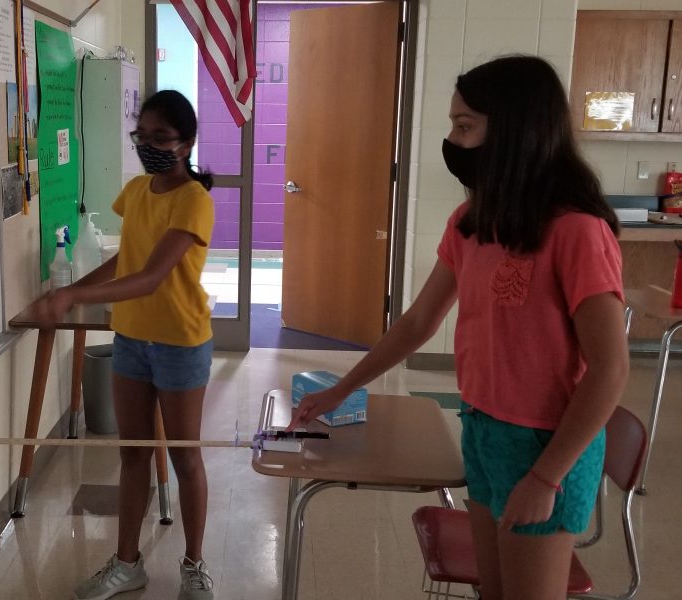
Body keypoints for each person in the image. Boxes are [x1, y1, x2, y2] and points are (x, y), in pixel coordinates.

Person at [288, 55, 629, 600]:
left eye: (464, 127)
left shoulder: (577, 232)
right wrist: (343, 388)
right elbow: (420, 321)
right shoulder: (470, 224)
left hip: (547, 446)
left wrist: (545, 477)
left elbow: (610, 370)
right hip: (483, 428)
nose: (452, 141)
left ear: (516, 131)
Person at [41, 89, 216, 600]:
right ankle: (126, 563)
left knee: (186, 459)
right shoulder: (137, 191)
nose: (149, 146)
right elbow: (125, 261)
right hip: (132, 341)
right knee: (133, 455)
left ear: (185, 143)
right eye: (142, 136)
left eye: (161, 138)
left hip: (180, 342)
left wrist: (76, 294)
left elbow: (152, 276)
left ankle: (194, 564)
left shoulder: (194, 201)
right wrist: (72, 291)